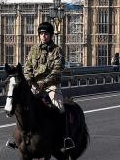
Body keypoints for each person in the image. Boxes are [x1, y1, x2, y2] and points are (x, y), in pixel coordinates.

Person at [7, 21, 73, 150]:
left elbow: (57, 69)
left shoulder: (57, 50)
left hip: (51, 85)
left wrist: (45, 82)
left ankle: (65, 137)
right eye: (41, 34)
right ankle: (19, 137)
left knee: (59, 107)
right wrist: (30, 79)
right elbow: (27, 66)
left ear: (51, 35)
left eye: (46, 34)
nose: (43, 36)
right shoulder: (34, 49)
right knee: (22, 106)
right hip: (34, 85)